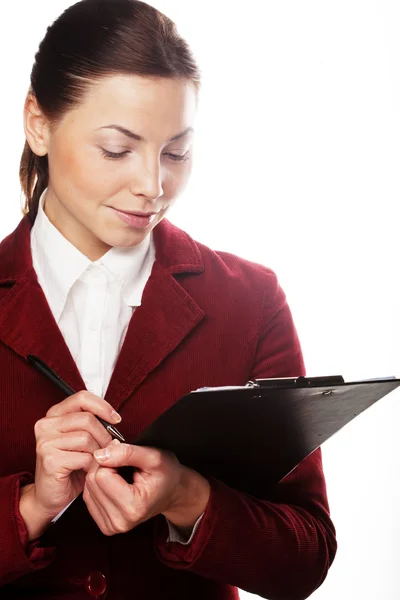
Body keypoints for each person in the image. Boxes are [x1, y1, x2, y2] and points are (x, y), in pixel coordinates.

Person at [0, 0, 337, 598]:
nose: (153, 186)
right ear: (38, 123)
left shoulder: (250, 301)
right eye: (116, 149)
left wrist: (187, 497)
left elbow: (304, 558)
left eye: (176, 152)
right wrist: (30, 505)